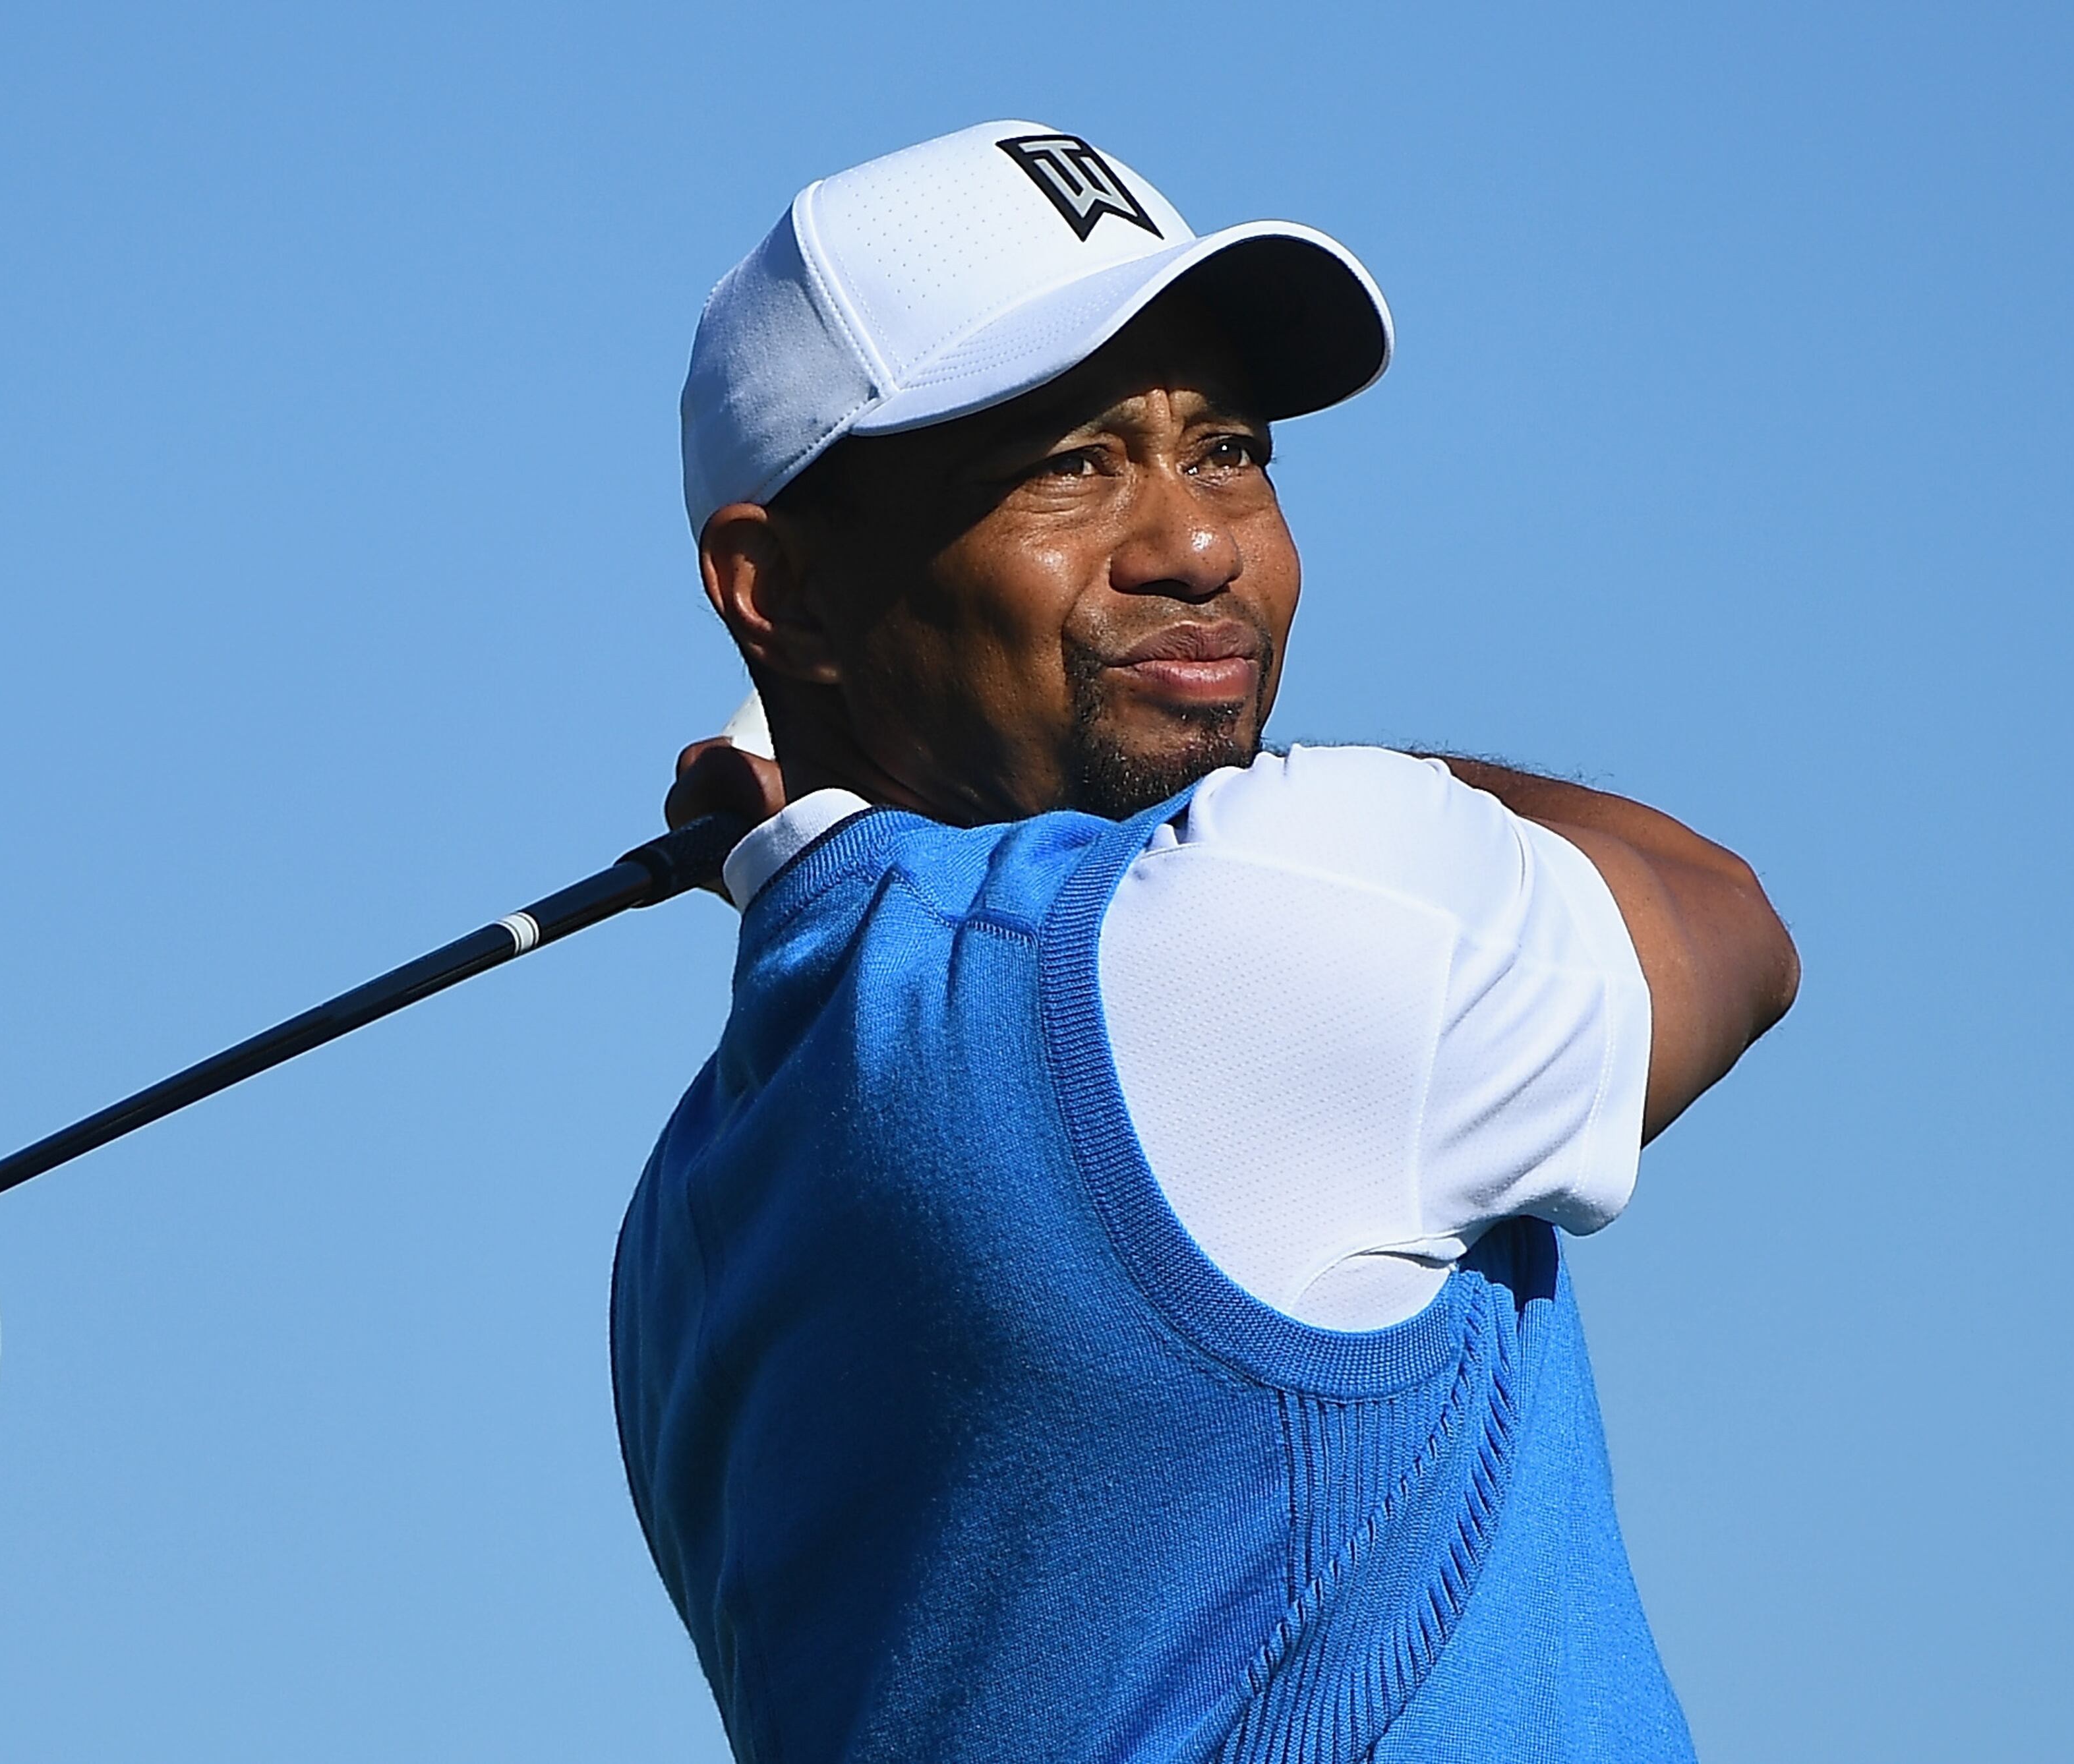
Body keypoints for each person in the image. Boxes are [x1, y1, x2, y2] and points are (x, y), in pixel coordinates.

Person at [613, 121, 1798, 1764]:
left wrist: (820, 832)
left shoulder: (686, 1216)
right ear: (781, 592)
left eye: (1227, 449)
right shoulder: (1255, 925)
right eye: (1069, 464)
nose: (1197, 544)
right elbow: (1723, 915)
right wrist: (1262, 778)